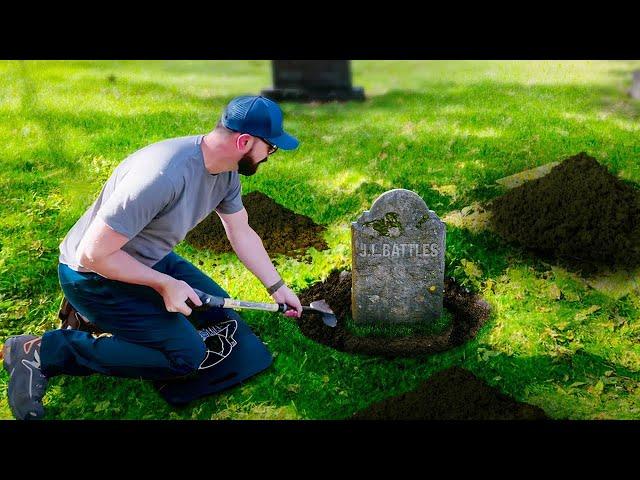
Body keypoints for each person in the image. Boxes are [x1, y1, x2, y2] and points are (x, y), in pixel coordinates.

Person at [2, 95, 303, 420]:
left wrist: (277, 287)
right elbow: (93, 254)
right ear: (244, 141)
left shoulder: (226, 172)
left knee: (220, 312)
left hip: (146, 257)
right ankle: (43, 352)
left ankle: (114, 315)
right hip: (92, 276)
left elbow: (240, 231)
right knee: (186, 356)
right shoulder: (162, 176)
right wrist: (163, 284)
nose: (271, 155)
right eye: (270, 148)